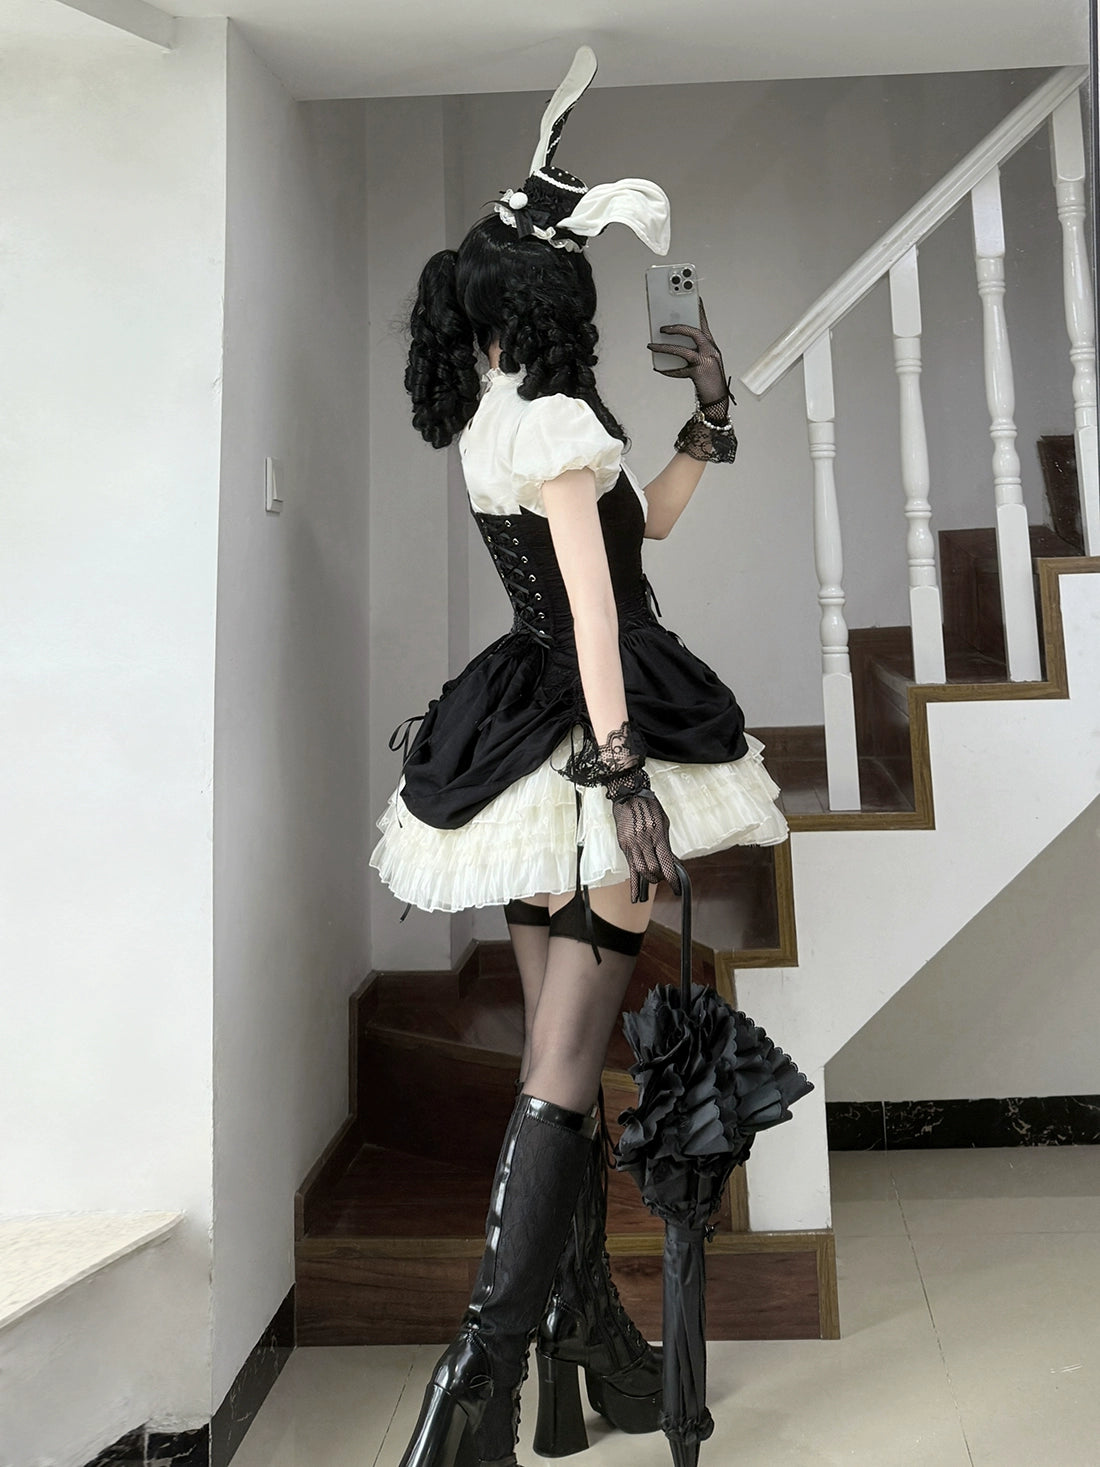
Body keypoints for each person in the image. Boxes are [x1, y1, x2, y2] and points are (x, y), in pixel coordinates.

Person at [371, 47, 789, 1467]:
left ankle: (582, 1343)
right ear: (558, 305)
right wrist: (624, 779)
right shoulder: (552, 423)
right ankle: (476, 1379)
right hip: (589, 734)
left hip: (516, 737)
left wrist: (708, 416)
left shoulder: (501, 415)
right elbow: (601, 610)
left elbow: (642, 524)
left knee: (560, 1054)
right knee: (563, 1063)